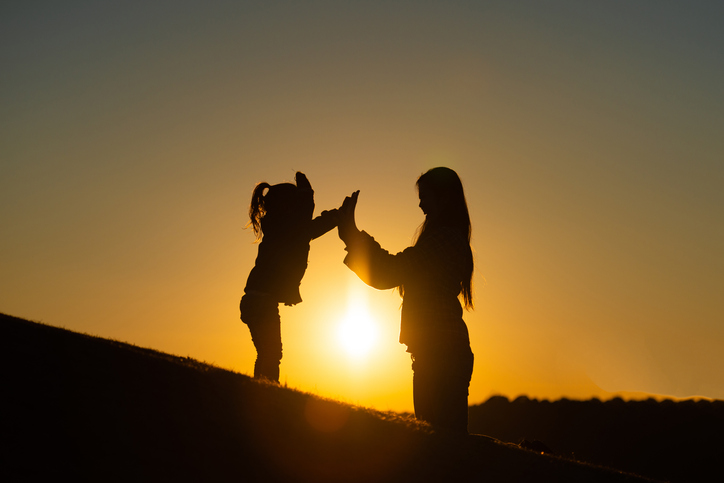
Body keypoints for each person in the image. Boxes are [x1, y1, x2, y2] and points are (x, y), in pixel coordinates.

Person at [337, 167, 475, 434]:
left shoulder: (444, 240)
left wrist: (353, 235)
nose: (421, 203)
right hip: (435, 350)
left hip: (442, 352)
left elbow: (391, 270)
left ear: (443, 198)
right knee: (439, 439)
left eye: (426, 196)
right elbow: (391, 271)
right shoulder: (443, 239)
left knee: (441, 442)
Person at [240, 172, 337, 383]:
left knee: (268, 353)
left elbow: (308, 225)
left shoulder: (280, 227)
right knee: (271, 354)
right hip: (261, 301)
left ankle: (262, 391)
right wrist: (308, 193)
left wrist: (335, 215)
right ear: (288, 206)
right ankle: (267, 395)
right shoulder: (286, 228)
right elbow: (308, 221)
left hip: (256, 300)